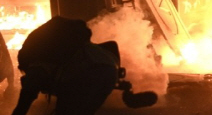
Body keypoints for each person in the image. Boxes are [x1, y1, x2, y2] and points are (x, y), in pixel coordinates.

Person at [11, 16, 155, 115]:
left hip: (88, 75)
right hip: (108, 70)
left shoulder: (37, 67)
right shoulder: (61, 52)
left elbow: (23, 103)